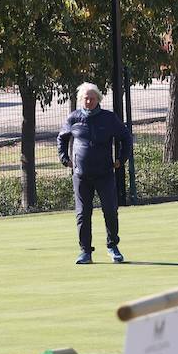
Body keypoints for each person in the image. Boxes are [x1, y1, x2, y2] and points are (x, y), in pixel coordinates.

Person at [57, 82, 131, 265]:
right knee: (83, 214)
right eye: (85, 98)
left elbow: (126, 138)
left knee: (110, 211)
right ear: (81, 99)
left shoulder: (109, 118)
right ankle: (85, 252)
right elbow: (62, 138)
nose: (88, 101)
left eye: (92, 98)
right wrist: (64, 158)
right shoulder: (74, 118)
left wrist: (121, 159)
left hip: (105, 173)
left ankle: (113, 247)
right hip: (81, 175)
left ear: (98, 99)